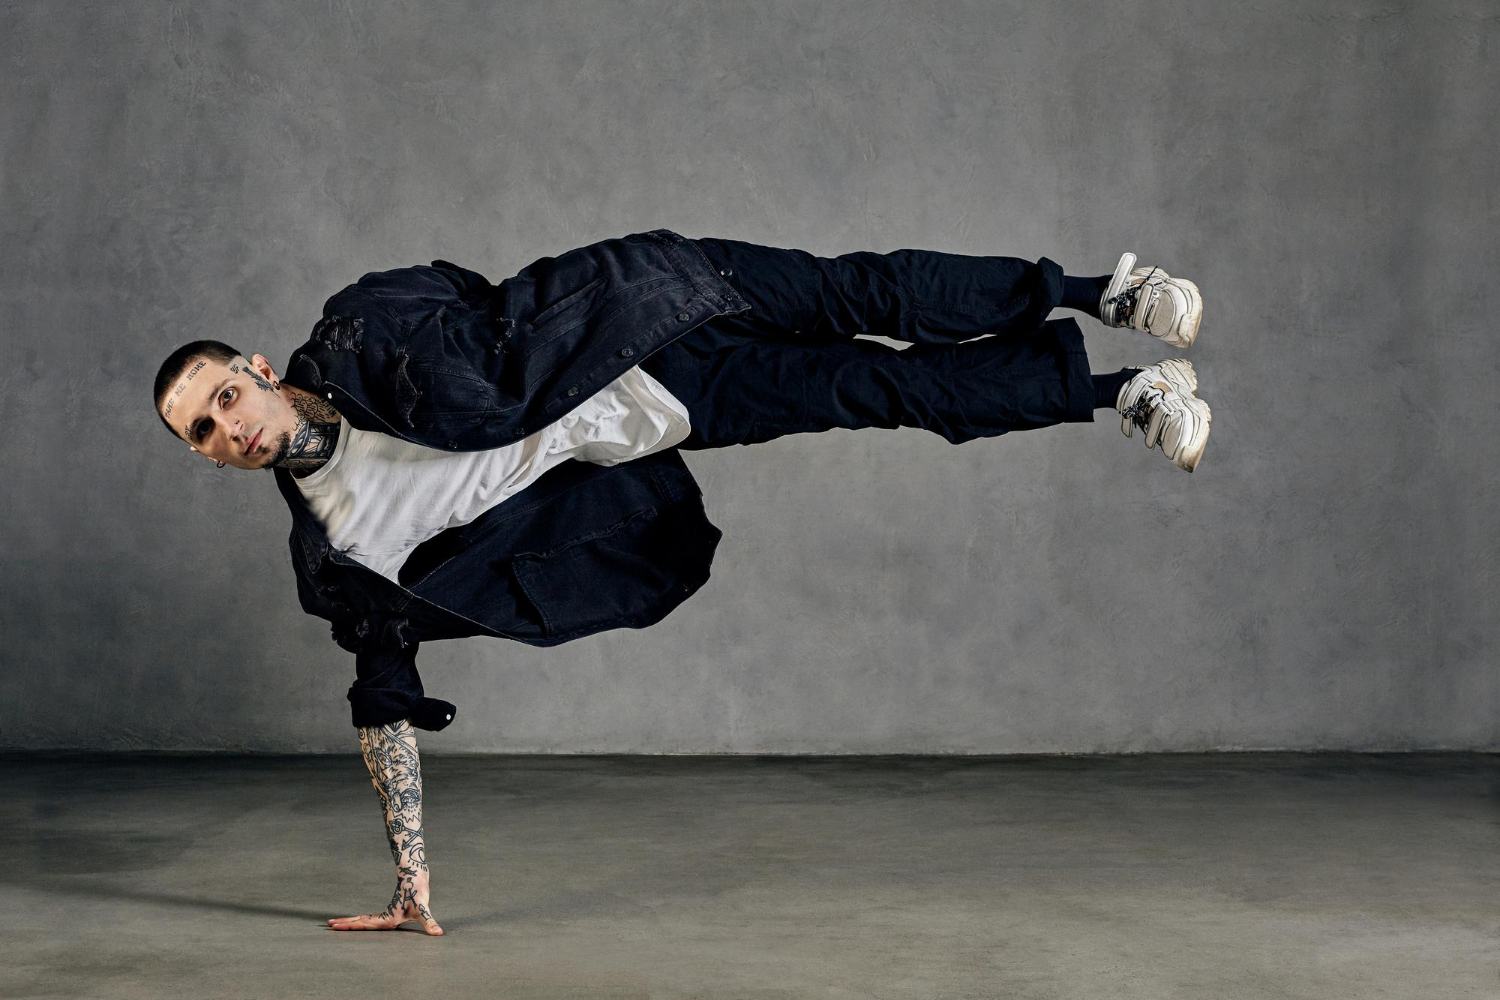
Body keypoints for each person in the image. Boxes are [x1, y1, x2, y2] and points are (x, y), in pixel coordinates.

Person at [151, 229, 1211, 936]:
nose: (229, 426)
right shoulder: (343, 556)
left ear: (254, 367)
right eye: (204, 430)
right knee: (885, 386)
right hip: (676, 404)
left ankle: (1103, 291)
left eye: (223, 396)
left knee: (866, 291)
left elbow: (475, 298)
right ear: (203, 456)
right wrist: (409, 878)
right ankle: (1124, 392)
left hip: (652, 295)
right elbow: (382, 693)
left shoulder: (354, 329)